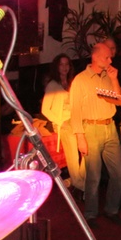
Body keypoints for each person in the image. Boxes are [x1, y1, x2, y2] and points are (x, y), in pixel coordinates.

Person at [68, 42, 121, 222]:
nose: (110, 60)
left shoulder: (108, 76)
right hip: (90, 129)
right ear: (95, 57)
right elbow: (75, 110)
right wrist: (80, 137)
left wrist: (115, 79)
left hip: (109, 127)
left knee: (119, 173)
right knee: (93, 176)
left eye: (110, 57)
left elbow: (119, 101)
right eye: (106, 57)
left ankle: (111, 209)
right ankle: (91, 213)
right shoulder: (81, 79)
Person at [41, 53, 85, 191]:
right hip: (65, 123)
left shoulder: (72, 82)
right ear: (57, 66)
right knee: (72, 156)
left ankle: (77, 180)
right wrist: (61, 122)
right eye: (61, 64)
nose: (64, 67)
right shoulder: (53, 85)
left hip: (77, 121)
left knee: (86, 152)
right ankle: (79, 185)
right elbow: (45, 109)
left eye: (67, 64)